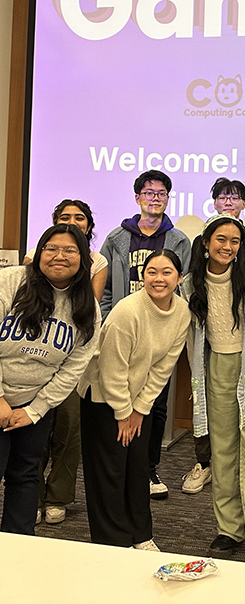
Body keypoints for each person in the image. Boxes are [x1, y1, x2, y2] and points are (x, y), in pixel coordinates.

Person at [183, 214, 245, 563]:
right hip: (215, 371)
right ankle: (229, 529)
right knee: (223, 455)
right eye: (221, 240)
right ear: (206, 243)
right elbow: (191, 340)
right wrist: (198, 382)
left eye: (235, 241)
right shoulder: (189, 284)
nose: (228, 247)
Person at [78, 249, 190, 550]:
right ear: (143, 277)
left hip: (140, 397)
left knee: (138, 467)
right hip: (102, 397)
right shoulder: (127, 312)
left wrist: (140, 409)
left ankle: (141, 534)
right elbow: (112, 370)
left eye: (167, 272)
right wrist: (123, 412)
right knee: (110, 470)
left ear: (179, 278)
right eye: (151, 272)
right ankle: (113, 540)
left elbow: (163, 366)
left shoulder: (182, 312)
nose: (158, 278)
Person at [0, 224, 99, 535]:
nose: (59, 256)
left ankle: (19, 543)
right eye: (51, 248)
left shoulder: (87, 307)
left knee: (26, 473)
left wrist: (35, 409)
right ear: (39, 252)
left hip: (34, 402)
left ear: (83, 259)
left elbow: (74, 366)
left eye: (70, 250)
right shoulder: (10, 281)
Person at [99, 170, 191, 500]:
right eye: (149, 193)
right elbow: (107, 287)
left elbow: (184, 284)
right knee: (118, 389)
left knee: (157, 402)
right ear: (138, 197)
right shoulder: (117, 238)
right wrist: (111, 319)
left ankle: (150, 467)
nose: (155, 198)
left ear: (168, 198)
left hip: (160, 331)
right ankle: (118, 460)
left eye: (161, 193)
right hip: (125, 326)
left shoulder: (179, 239)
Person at [182, 177, 245, 495]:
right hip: (211, 342)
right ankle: (205, 465)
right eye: (222, 197)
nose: (229, 202)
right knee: (212, 420)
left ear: (244, 203)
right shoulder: (200, 243)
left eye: (235, 197)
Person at [24, 199, 108, 526]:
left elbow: (87, 306)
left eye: (79, 218)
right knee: (34, 429)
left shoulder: (96, 261)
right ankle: (32, 495)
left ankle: (58, 495)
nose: (73, 222)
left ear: (88, 225)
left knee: (69, 428)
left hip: (74, 354)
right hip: (31, 354)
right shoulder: (38, 255)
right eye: (65, 217)